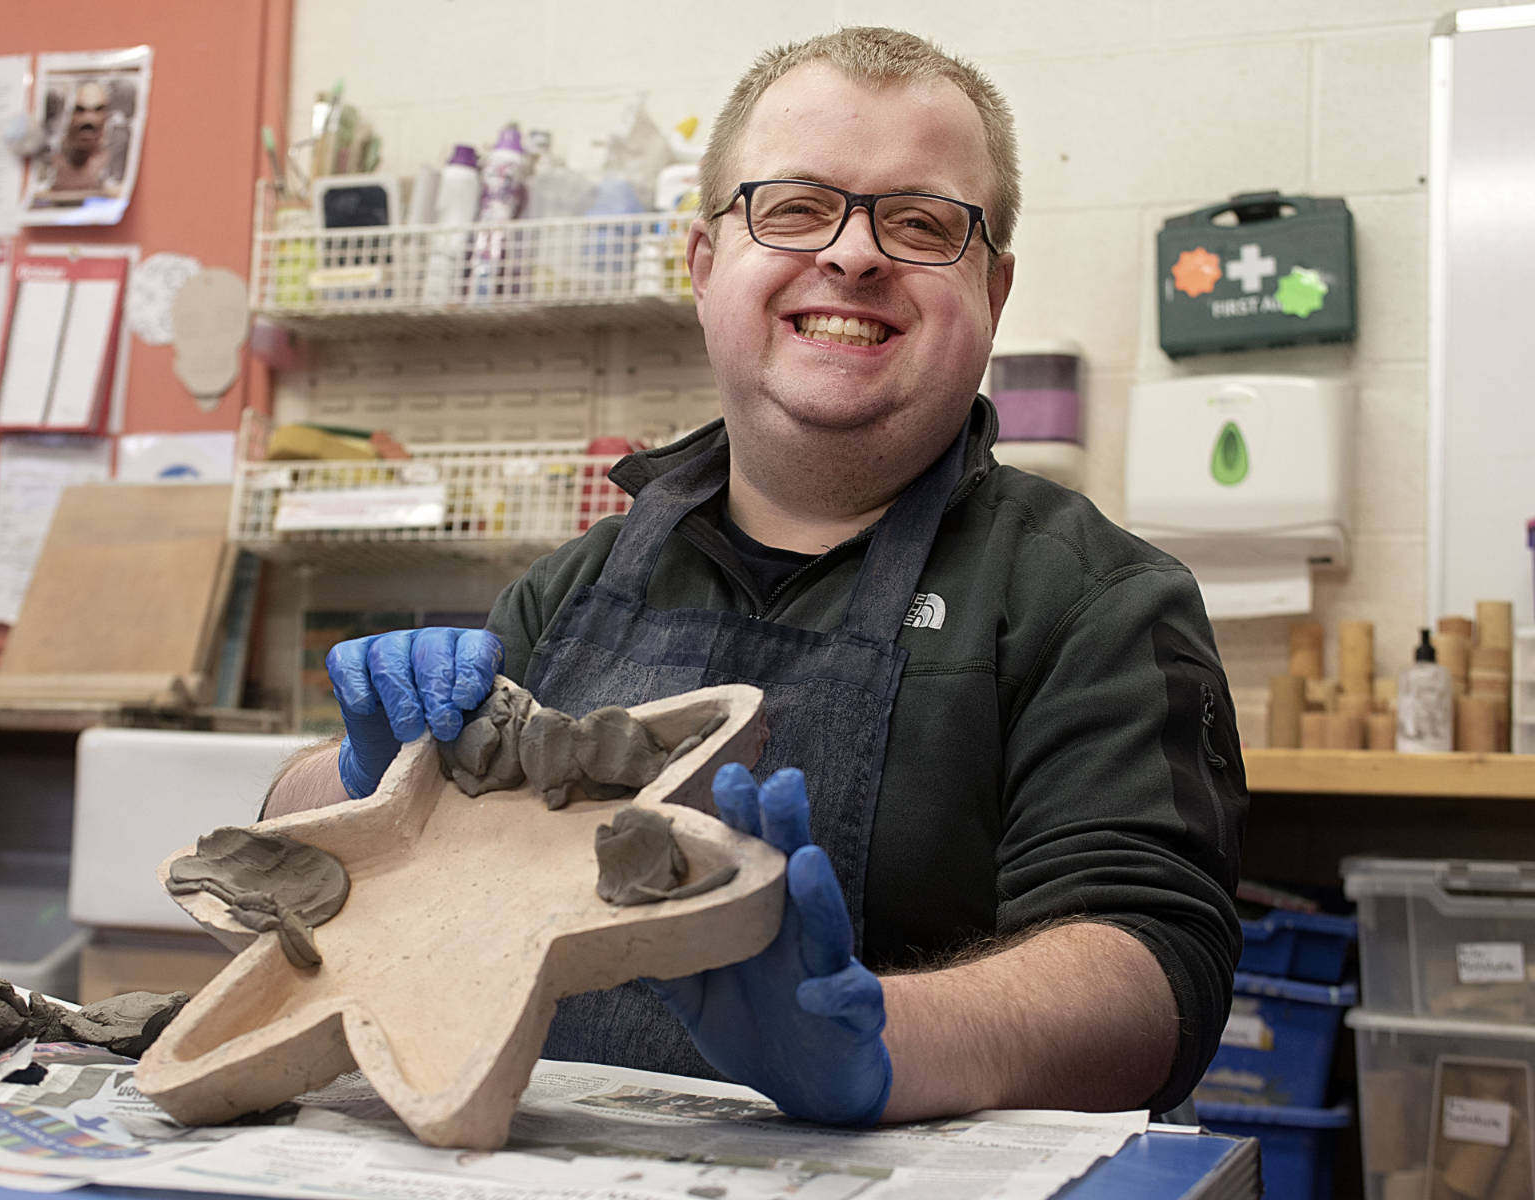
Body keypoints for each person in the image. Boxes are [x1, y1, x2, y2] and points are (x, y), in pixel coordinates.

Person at [264, 26, 1246, 1127]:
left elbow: (1154, 968)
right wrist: (365, 783)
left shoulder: (1097, 603)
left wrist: (879, 1037)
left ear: (995, 289)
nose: (856, 256)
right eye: (793, 208)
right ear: (702, 267)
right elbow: (306, 871)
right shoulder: (568, 592)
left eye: (921, 222)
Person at [48, 81, 116, 194]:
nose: (88, 119)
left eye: (98, 110)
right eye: (80, 110)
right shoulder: (49, 166)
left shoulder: (113, 170)